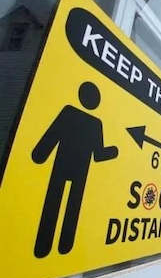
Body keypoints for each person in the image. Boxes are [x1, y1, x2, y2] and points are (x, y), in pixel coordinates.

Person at [32, 82, 118, 258]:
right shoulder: (94, 122)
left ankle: (45, 246)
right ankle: (63, 245)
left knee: (55, 201)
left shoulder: (72, 114)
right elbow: (99, 154)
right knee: (71, 204)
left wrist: (40, 154)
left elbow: (51, 137)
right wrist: (113, 150)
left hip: (63, 167)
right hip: (79, 171)